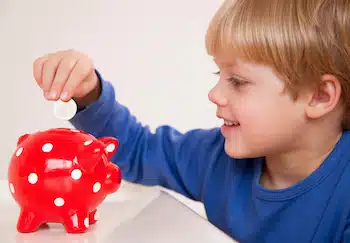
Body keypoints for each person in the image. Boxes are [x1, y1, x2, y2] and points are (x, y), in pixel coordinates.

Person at [32, 0, 350, 242]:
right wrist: (89, 93)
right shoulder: (213, 157)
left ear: (320, 96)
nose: (214, 94)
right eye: (219, 74)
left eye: (237, 81)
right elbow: (136, 150)